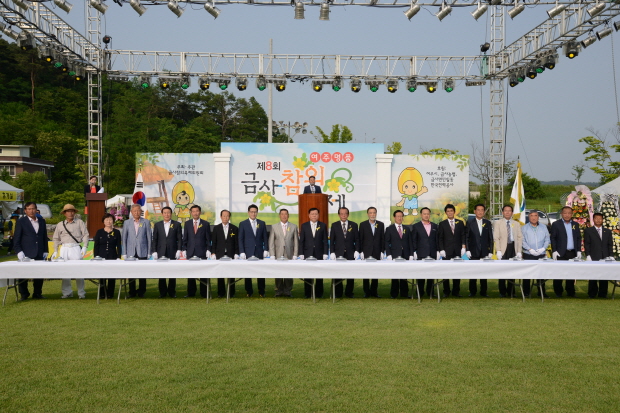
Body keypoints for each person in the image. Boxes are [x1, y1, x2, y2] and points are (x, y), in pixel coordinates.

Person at [53, 204, 90, 299]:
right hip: (64, 248)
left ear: (74, 212)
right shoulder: (60, 224)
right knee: (65, 272)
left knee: (79, 271)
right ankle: (67, 292)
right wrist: (55, 251)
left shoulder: (79, 222)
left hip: (75, 247)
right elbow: (56, 238)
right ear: (64, 213)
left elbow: (85, 234)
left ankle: (81, 293)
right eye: (68, 211)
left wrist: (85, 246)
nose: (70, 213)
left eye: (72, 211)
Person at [12, 202, 48, 300]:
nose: (31, 211)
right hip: (26, 252)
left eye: (33, 209)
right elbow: (17, 238)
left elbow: (44, 237)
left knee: (39, 274)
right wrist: (19, 251)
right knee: (23, 274)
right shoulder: (21, 221)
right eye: (29, 209)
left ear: (36, 209)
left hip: (39, 252)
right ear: (25, 210)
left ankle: (37, 293)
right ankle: (24, 294)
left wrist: (46, 250)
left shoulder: (41, 221)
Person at [550, 206, 582, 298]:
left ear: (572, 214)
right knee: (558, 273)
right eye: (565, 213)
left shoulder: (575, 224)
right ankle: (558, 292)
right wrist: (554, 251)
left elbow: (578, 238)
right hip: (560, 252)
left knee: (571, 273)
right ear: (561, 214)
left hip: (572, 252)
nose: (567, 215)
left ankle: (570, 292)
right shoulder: (556, 224)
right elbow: (553, 238)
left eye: (569, 213)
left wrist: (579, 250)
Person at [238, 204, 269, 297]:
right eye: (251, 212)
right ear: (248, 213)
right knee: (248, 272)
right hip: (248, 251)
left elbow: (265, 238)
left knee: (261, 272)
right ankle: (249, 291)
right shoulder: (243, 224)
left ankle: (261, 291)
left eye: (255, 212)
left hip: (259, 251)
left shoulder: (262, 223)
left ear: (257, 213)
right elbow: (240, 239)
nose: (253, 213)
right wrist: (242, 251)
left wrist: (266, 249)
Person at [121, 204, 152, 298]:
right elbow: (124, 238)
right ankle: (132, 292)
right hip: (131, 252)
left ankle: (142, 292)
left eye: (138, 210)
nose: (136, 212)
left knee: (142, 273)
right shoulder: (127, 223)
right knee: (131, 273)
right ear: (131, 212)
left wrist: (149, 252)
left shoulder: (146, 222)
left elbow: (149, 238)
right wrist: (124, 253)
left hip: (142, 250)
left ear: (141, 211)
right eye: (134, 211)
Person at [151, 206, 182, 298]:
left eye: (168, 212)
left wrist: (179, 250)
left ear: (171, 214)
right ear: (162, 214)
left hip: (172, 251)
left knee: (172, 272)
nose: (167, 214)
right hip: (161, 251)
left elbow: (180, 239)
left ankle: (172, 292)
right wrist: (154, 251)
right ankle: (162, 292)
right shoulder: (157, 225)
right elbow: (155, 239)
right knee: (162, 272)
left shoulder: (177, 224)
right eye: (165, 213)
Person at [493, 205, 523, 298]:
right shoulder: (498, 223)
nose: (507, 212)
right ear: (502, 212)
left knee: (512, 271)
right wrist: (498, 250)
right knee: (502, 271)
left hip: (512, 248)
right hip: (503, 249)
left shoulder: (516, 223)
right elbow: (496, 238)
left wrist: (519, 251)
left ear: (512, 213)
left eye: (509, 211)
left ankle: (511, 291)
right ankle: (502, 292)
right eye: (505, 211)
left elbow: (519, 237)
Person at [330, 207, 360, 298]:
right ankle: (338, 293)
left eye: (345, 213)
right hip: (339, 253)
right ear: (339, 215)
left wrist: (357, 250)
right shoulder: (334, 225)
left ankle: (349, 292)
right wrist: (332, 252)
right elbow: (332, 240)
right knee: (337, 273)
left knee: (350, 274)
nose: (343, 215)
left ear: (348, 214)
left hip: (350, 253)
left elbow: (357, 240)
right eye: (341, 213)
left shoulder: (353, 225)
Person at [437, 203, 466, 298]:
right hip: (446, 251)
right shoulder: (442, 224)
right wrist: (441, 249)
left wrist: (463, 247)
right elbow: (440, 238)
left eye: (451, 211)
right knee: (446, 272)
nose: (450, 213)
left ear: (454, 212)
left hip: (457, 251)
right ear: (445, 213)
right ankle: (446, 291)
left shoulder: (460, 222)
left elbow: (463, 235)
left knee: (457, 272)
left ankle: (456, 291)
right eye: (448, 211)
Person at [182, 205, 211, 298]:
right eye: (193, 211)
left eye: (197, 211)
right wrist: (184, 249)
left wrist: (208, 250)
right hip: (191, 251)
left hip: (202, 251)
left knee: (203, 273)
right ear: (191, 213)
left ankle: (204, 292)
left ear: (200, 212)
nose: (195, 213)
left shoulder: (205, 224)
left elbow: (208, 239)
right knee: (191, 273)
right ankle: (191, 292)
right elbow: (185, 238)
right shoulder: (187, 224)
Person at [299, 207, 328, 298]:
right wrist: (301, 253)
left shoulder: (323, 225)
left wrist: (325, 253)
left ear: (318, 215)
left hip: (319, 253)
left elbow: (325, 241)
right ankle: (308, 293)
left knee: (319, 275)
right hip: (308, 253)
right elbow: (302, 241)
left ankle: (319, 294)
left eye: (316, 214)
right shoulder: (304, 225)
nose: (314, 215)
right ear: (309, 215)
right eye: (312, 214)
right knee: (307, 274)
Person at [268, 208, 298, 297]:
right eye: (282, 214)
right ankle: (279, 290)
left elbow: (296, 241)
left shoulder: (293, 226)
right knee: (278, 272)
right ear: (279, 215)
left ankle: (288, 291)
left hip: (289, 253)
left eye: (286, 214)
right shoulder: (274, 226)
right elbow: (271, 241)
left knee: (289, 272)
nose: (284, 216)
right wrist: (272, 254)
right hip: (278, 253)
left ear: (288, 215)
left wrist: (295, 254)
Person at [411, 207, 439, 297]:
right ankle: (419, 292)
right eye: (424, 214)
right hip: (421, 253)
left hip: (432, 253)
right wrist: (414, 251)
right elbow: (414, 240)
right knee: (421, 274)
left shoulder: (435, 226)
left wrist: (438, 251)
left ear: (429, 215)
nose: (426, 215)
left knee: (431, 275)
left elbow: (437, 240)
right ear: (421, 215)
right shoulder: (416, 226)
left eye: (428, 214)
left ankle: (430, 292)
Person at [466, 203, 493, 297]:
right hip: (473, 251)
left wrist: (491, 252)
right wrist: (467, 250)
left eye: (482, 210)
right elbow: (467, 237)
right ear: (475, 211)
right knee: (473, 273)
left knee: (484, 273)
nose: (480, 212)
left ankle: (483, 292)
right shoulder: (470, 222)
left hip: (484, 252)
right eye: (478, 210)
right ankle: (472, 292)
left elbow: (491, 238)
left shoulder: (487, 222)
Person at [584, 212, 613, 298]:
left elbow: (610, 244)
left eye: (600, 218)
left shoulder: (607, 231)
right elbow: (587, 244)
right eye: (596, 218)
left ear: (603, 220)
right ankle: (592, 293)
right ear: (593, 220)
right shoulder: (588, 231)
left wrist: (611, 255)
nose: (598, 220)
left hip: (605, 256)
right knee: (593, 276)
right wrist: (588, 255)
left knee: (604, 275)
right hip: (594, 256)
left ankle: (603, 294)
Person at [521, 210, 550, 298]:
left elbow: (547, 239)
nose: (534, 217)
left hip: (541, 253)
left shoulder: (544, 227)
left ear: (538, 217)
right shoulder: (524, 228)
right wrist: (529, 249)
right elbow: (522, 240)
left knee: (541, 274)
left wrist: (543, 249)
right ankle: (526, 292)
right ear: (529, 217)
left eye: (535, 215)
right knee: (527, 274)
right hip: (528, 253)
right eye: (532, 216)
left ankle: (541, 292)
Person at [211, 209, 240, 298]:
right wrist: (213, 253)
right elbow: (214, 242)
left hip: (230, 253)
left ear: (229, 217)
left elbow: (236, 242)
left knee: (231, 273)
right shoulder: (216, 228)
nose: (225, 217)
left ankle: (231, 292)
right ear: (221, 217)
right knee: (220, 273)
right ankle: (221, 292)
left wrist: (236, 253)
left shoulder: (234, 228)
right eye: (224, 216)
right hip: (220, 253)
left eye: (227, 216)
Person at [93, 213, 122, 299]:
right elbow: (96, 245)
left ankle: (110, 293)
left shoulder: (117, 232)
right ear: (103, 221)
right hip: (101, 256)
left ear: (113, 221)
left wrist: (118, 257)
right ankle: (102, 293)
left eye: (110, 219)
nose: (108, 221)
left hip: (112, 256)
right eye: (106, 220)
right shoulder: (99, 232)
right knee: (102, 276)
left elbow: (118, 246)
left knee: (111, 276)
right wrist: (96, 257)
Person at [385, 210, 413, 299]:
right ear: (394, 218)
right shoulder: (389, 229)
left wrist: (411, 254)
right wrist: (388, 254)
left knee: (404, 275)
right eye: (398, 216)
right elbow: (386, 242)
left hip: (405, 254)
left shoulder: (407, 229)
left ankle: (404, 293)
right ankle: (394, 294)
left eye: (401, 216)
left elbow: (410, 243)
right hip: (394, 255)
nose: (399, 218)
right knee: (395, 275)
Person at [359, 206, 384, 298]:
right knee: (366, 273)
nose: (372, 214)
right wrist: (361, 251)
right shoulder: (363, 224)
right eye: (371, 213)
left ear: (376, 214)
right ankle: (366, 292)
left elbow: (382, 239)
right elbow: (360, 239)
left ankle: (374, 291)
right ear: (367, 214)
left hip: (377, 252)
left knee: (375, 272)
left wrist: (382, 251)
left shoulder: (381, 224)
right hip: (366, 251)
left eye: (374, 213)